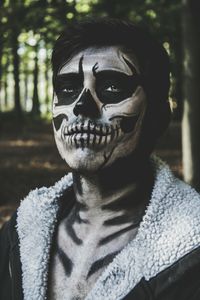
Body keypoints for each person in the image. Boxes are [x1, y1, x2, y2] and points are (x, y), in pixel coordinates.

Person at [1, 18, 200, 300]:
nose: (82, 106)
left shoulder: (191, 244)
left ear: (158, 115)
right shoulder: (20, 234)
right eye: (68, 88)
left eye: (111, 86)